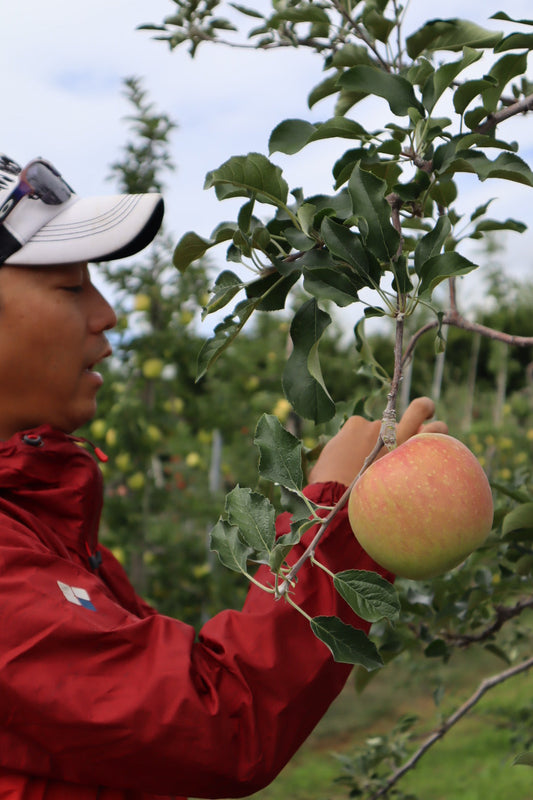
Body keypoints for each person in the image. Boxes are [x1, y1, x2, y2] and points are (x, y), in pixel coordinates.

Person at [0, 153, 448, 800]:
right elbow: (218, 721)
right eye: (71, 288)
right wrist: (333, 521)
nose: (107, 315)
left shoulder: (36, 522)